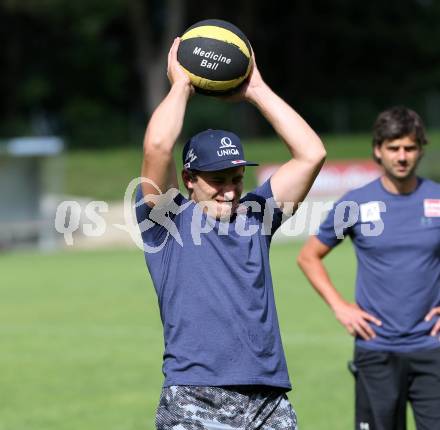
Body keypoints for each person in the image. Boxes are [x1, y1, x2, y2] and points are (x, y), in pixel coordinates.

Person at [135, 37, 326, 430]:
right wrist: (181, 85)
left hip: (267, 399)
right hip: (194, 397)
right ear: (188, 179)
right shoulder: (168, 221)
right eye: (217, 180)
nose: (229, 189)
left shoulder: (256, 216)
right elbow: (157, 145)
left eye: (237, 179)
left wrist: (256, 89)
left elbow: (311, 154)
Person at [297, 106, 440, 430]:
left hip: (433, 350)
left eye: (409, 147)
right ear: (378, 150)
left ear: (420, 149)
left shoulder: (437, 199)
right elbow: (308, 256)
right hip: (376, 349)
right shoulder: (355, 203)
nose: (402, 156)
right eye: (393, 148)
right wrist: (340, 307)